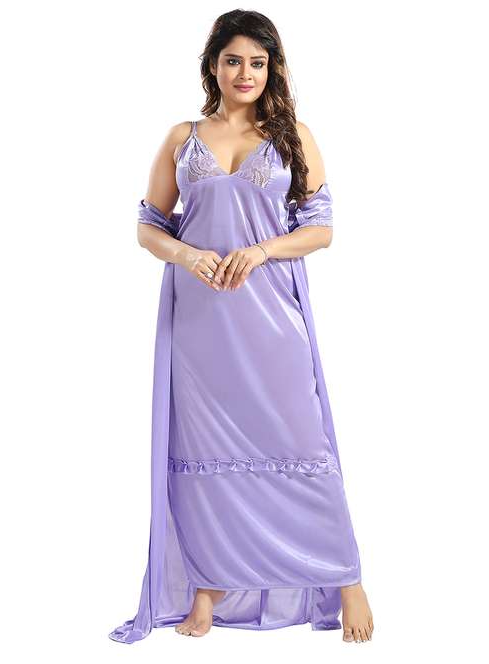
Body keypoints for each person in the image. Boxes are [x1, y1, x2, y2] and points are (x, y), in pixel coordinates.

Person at [109, 9, 374, 645]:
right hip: (200, 326)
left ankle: (346, 578)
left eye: (257, 62)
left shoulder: (293, 136)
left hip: (271, 317)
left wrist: (260, 251)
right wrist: (187, 254)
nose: (245, 72)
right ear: (213, 66)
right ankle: (208, 589)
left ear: (272, 68)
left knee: (303, 444)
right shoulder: (183, 138)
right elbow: (148, 226)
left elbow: (321, 228)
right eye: (233, 60)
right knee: (204, 457)